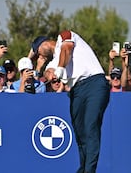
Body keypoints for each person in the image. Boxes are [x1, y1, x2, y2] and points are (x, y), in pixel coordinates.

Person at [31, 30, 110, 173]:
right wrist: (43, 69)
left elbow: (66, 50)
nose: (40, 55)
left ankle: (89, 170)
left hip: (94, 83)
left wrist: (61, 68)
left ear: (44, 43)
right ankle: (83, 168)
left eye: (39, 52)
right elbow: (48, 73)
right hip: (77, 90)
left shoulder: (64, 36)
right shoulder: (54, 61)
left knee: (90, 125)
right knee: (80, 131)